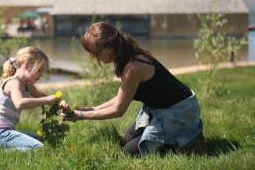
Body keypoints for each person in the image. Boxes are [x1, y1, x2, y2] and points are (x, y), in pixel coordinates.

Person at [62, 22, 208, 156]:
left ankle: (187, 140)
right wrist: (93, 109)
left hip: (181, 111)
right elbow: (123, 96)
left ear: (109, 48)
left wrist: (80, 116)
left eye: (95, 52)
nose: (93, 57)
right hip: (160, 109)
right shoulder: (128, 56)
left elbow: (118, 110)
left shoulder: (133, 66)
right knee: (126, 139)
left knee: (131, 151)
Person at [0, 46, 68, 151]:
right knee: (39, 148)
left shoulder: (27, 85)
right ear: (27, 65)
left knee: (44, 141)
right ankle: (1, 151)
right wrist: (47, 100)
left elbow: (43, 96)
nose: (41, 75)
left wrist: (59, 102)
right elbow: (20, 103)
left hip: (4, 132)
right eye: (39, 70)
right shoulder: (13, 82)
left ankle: (1, 148)